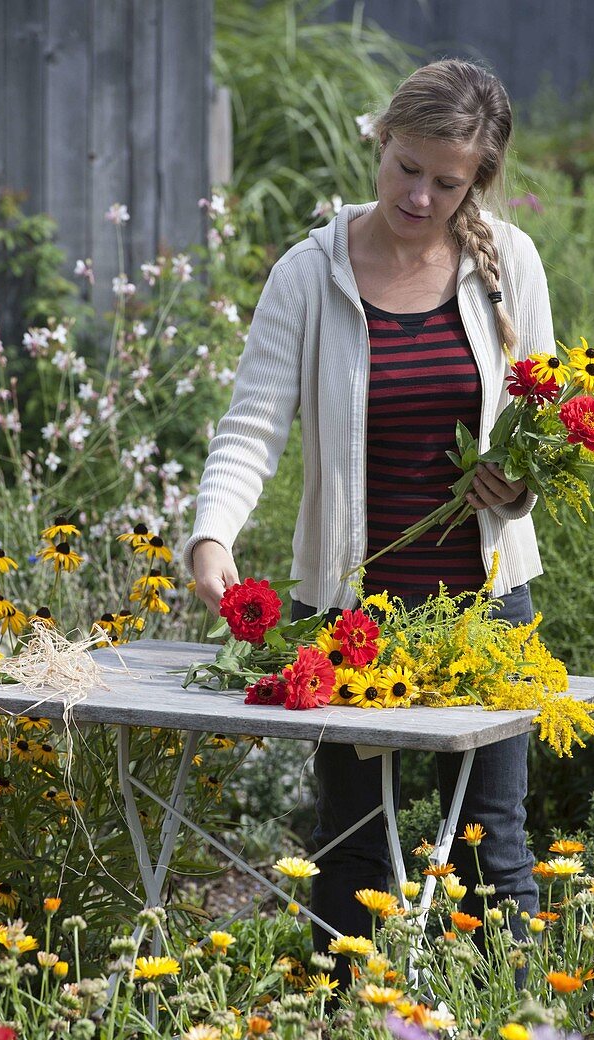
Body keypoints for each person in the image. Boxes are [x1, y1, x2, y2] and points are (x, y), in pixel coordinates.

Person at [184, 59, 554, 985]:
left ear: (478, 180)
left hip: (487, 612)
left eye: (447, 180)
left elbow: (541, 422)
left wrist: (516, 488)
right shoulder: (308, 275)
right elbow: (252, 424)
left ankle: (511, 1039)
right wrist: (211, 535)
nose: (420, 195)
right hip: (350, 614)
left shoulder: (507, 265)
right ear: (379, 142)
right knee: (352, 844)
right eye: (407, 168)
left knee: (490, 843)